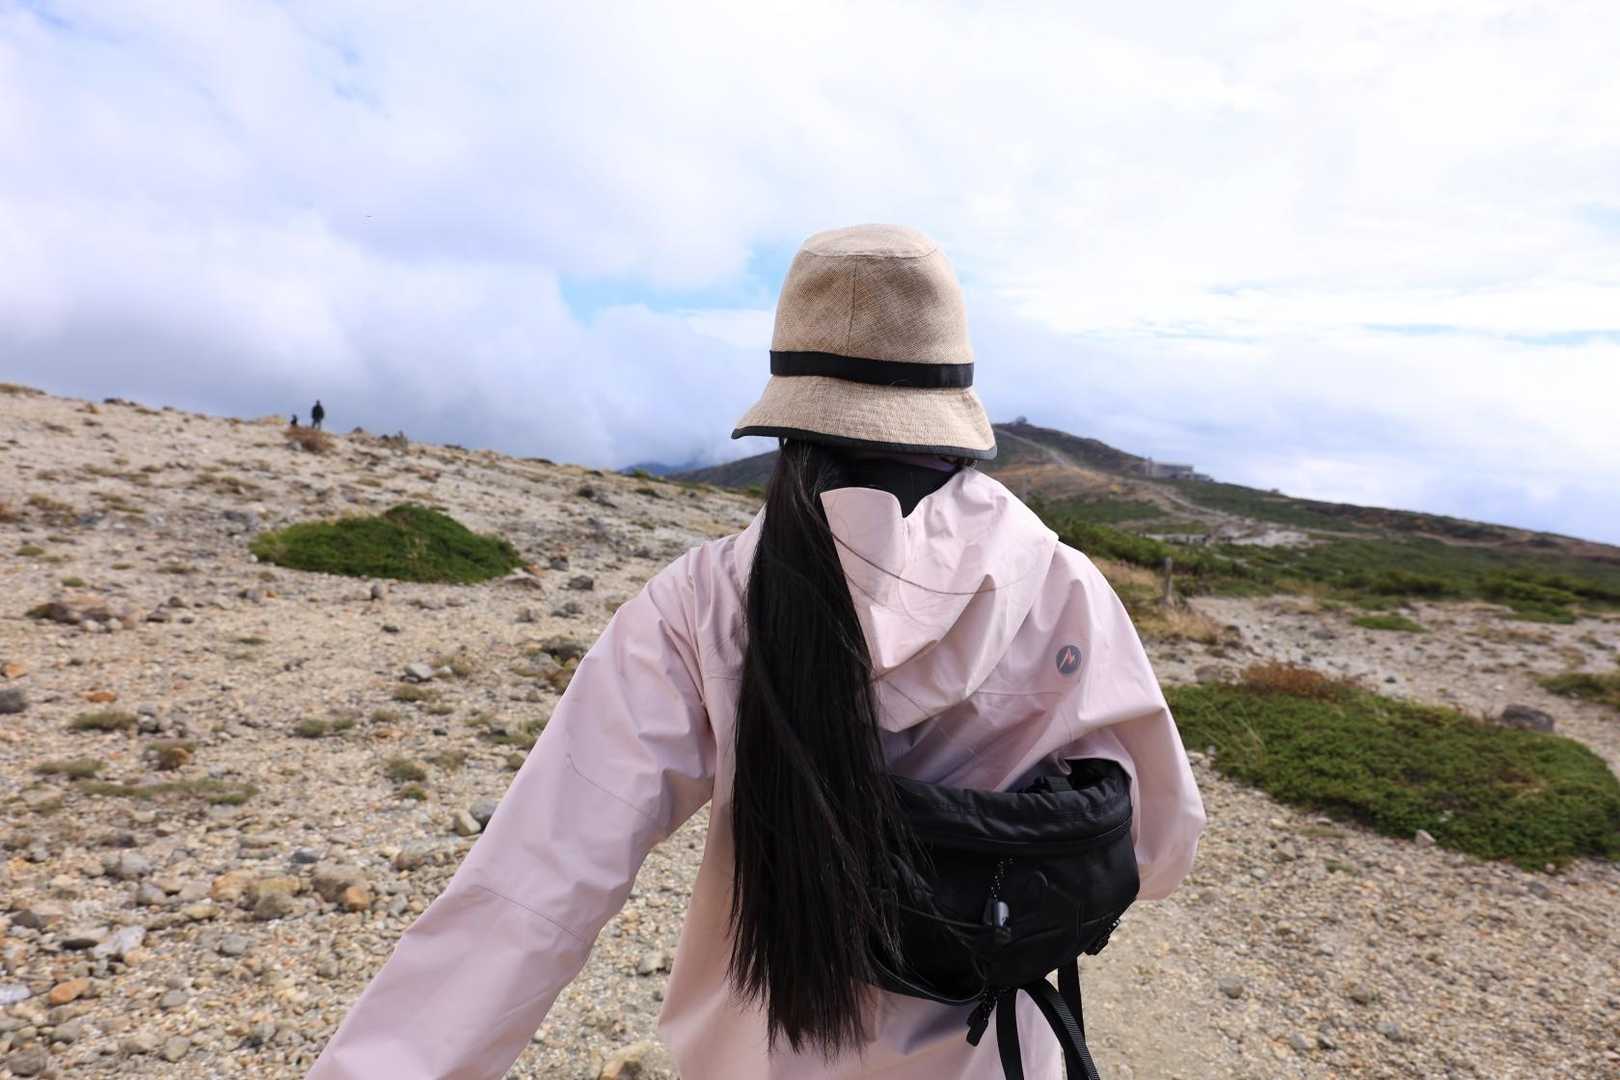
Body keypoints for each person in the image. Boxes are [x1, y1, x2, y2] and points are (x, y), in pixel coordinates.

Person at [305, 224, 1206, 1079]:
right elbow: (1162, 848)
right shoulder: (1062, 589)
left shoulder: (702, 601)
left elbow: (535, 889)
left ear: (788, 412)